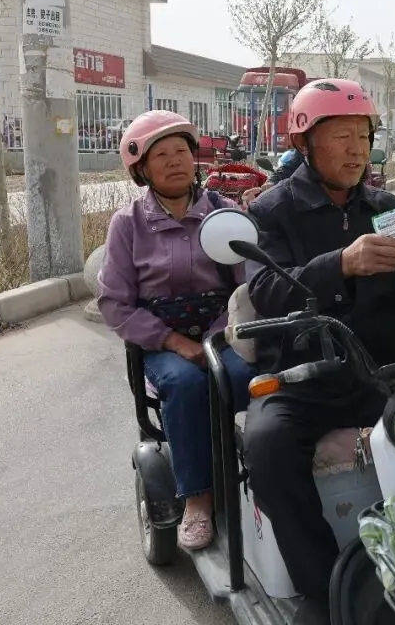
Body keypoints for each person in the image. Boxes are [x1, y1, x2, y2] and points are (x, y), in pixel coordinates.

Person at [239, 78, 395, 614]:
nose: (356, 149)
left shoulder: (386, 206)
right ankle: (321, 587)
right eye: (341, 136)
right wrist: (342, 264)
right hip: (302, 381)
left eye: (364, 135)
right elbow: (266, 290)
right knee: (267, 448)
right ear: (305, 143)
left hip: (381, 374)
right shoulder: (271, 211)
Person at [98, 110, 254, 551]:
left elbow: (247, 286)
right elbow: (114, 302)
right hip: (163, 340)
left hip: (223, 333)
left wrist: (220, 334)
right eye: (161, 154)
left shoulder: (224, 214)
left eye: (181, 151)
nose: (174, 161)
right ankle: (198, 500)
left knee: (250, 380)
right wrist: (174, 342)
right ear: (141, 168)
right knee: (185, 386)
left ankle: (257, 474)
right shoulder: (128, 224)